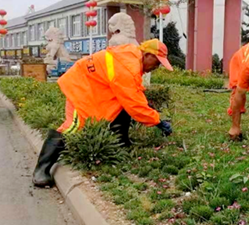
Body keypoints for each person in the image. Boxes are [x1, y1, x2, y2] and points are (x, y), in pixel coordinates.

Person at [32, 39, 173, 187]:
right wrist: (157, 121)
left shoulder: (131, 55)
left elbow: (134, 94)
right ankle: (41, 170)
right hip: (81, 87)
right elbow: (134, 104)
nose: (156, 67)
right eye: (157, 62)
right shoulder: (127, 67)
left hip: (94, 85)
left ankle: (122, 146)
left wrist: (151, 113)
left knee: (121, 107)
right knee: (72, 127)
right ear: (147, 55)